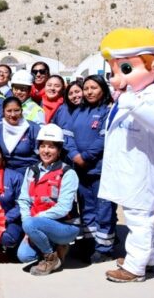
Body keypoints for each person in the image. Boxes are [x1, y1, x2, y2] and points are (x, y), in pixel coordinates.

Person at [99, 28, 154, 283]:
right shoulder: (134, 95)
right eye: (114, 71)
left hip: (142, 172)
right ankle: (144, 257)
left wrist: (132, 103)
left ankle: (135, 268)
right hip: (130, 170)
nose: (117, 78)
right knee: (141, 217)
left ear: (152, 66)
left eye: (126, 70)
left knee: (139, 218)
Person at [64, 74, 116, 263]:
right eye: (86, 88)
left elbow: (104, 138)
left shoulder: (107, 111)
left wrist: (85, 157)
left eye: (93, 88)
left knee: (104, 209)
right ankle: (90, 242)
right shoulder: (78, 111)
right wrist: (75, 156)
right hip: (80, 170)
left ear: (102, 89)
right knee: (86, 207)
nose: (89, 92)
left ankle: (105, 248)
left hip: (100, 170)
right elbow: (67, 136)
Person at [17, 124, 80, 276]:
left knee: (30, 224)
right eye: (43, 146)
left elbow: (64, 208)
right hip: (37, 223)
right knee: (24, 256)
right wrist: (28, 225)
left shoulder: (68, 173)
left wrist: (32, 222)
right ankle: (54, 248)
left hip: (65, 227)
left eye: (51, 147)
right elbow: (24, 200)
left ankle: (51, 257)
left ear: (59, 150)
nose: (46, 151)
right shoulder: (31, 170)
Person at [0, 97, 41, 172]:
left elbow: (41, 154)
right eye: (9, 111)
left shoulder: (32, 128)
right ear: (3, 112)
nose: (13, 114)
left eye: (16, 110)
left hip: (29, 171)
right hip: (7, 172)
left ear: (21, 111)